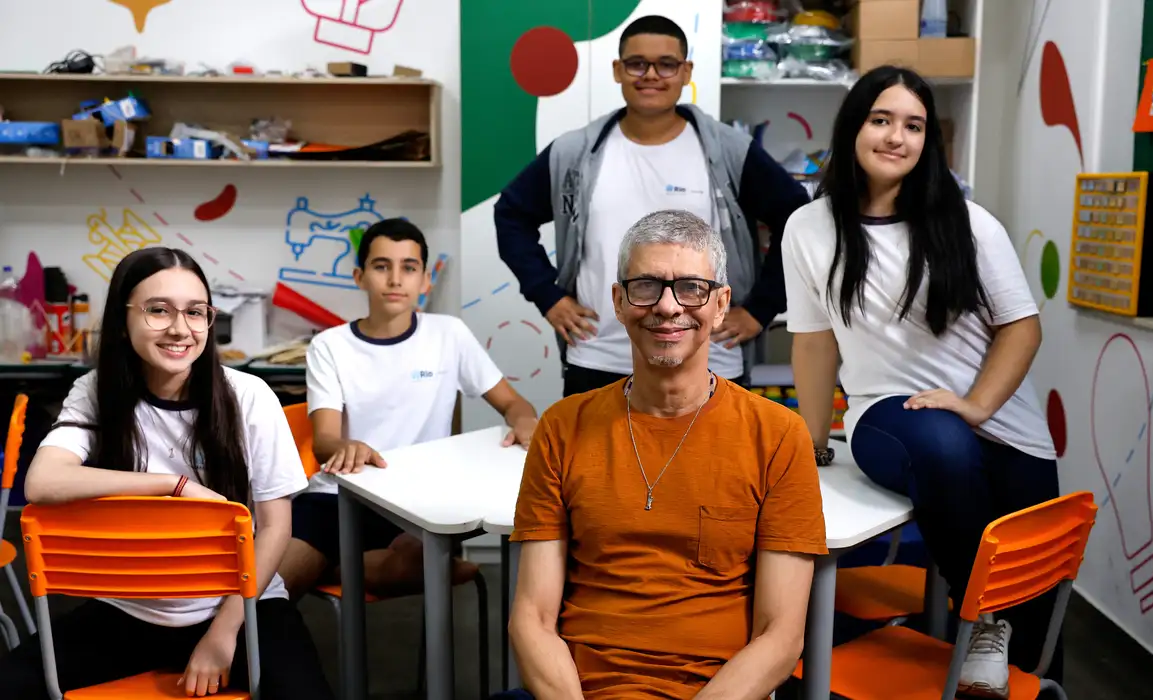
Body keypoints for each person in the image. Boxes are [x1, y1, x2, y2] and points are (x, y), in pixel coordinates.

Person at [781, 66, 1060, 699]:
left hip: (1001, 424)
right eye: (881, 120)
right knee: (940, 444)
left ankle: (1009, 643)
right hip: (887, 414)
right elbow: (814, 341)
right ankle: (981, 618)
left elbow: (1021, 328)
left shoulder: (969, 223)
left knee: (1036, 630)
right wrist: (812, 441)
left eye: (914, 126)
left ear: (927, 140)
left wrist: (976, 406)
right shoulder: (810, 227)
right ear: (853, 127)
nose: (896, 137)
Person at [501, 210, 827, 700]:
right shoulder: (562, 428)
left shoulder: (778, 435)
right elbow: (532, 618)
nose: (668, 306)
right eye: (646, 286)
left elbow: (779, 637)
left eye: (692, 288)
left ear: (721, 305)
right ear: (619, 301)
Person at [0, 247, 333, 699]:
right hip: (131, 606)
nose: (180, 328)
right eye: (158, 310)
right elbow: (43, 481)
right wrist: (173, 486)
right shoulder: (97, 391)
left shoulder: (249, 396)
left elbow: (275, 528)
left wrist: (223, 633)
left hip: (238, 606)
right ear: (122, 321)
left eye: (195, 312)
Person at [495, 15, 810, 396]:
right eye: (637, 64)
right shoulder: (575, 152)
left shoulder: (729, 151)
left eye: (666, 64)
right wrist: (548, 296)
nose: (651, 75)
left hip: (709, 360)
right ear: (618, 70)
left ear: (686, 72)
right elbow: (511, 214)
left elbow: (797, 218)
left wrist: (761, 308)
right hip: (599, 358)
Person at [277, 218, 540, 600]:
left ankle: (339, 566)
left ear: (425, 280)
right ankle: (347, 565)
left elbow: (513, 402)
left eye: (409, 267)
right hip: (338, 497)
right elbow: (325, 441)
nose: (395, 279)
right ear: (360, 276)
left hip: (419, 500)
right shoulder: (330, 346)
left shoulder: (449, 334)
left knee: (418, 561)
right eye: (381, 266)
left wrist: (525, 421)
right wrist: (346, 448)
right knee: (274, 588)